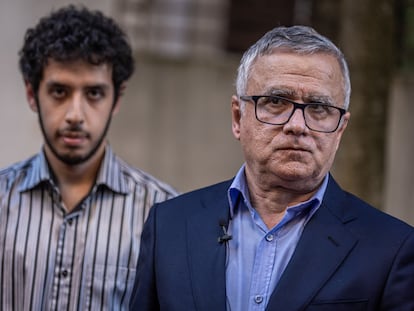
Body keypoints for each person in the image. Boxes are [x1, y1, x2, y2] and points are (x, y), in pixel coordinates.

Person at [129, 25, 414, 310]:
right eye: (276, 101)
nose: (297, 126)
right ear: (238, 117)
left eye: (318, 108)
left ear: (340, 130)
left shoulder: (390, 249)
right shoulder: (170, 226)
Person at [0, 5, 178, 311]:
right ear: (32, 95)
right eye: (59, 91)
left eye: (94, 93)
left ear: (117, 98)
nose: (75, 115)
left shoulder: (163, 214)